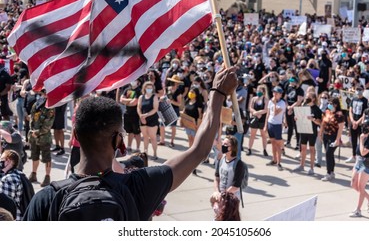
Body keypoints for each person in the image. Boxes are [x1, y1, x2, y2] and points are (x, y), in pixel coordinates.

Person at [23, 65, 238, 221]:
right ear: (118, 140)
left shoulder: (46, 199)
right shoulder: (138, 187)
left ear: (76, 136)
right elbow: (199, 151)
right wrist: (217, 93)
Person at [349, 120, 369, 217]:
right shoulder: (363, 135)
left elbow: (363, 152)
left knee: (361, 187)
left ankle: (358, 210)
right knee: (353, 184)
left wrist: (361, 140)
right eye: (363, 125)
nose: (363, 127)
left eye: (365, 126)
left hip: (366, 163)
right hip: (359, 161)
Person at [28, 89, 55, 187]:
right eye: (43, 93)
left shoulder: (50, 107)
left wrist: (38, 132)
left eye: (46, 93)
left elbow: (48, 124)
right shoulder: (36, 104)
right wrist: (31, 131)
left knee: (47, 158)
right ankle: (33, 174)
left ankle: (47, 177)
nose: (45, 95)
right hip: (34, 137)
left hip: (44, 137)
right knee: (34, 156)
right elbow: (31, 118)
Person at [293, 92, 322, 175]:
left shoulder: (316, 109)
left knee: (312, 149)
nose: (306, 98)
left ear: (313, 99)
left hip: (312, 131)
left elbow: (320, 122)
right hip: (304, 129)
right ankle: (301, 165)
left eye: (308, 97)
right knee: (303, 148)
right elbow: (300, 117)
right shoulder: (304, 106)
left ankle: (312, 168)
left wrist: (313, 119)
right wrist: (296, 118)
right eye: (306, 96)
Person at [319, 97, 345, 182]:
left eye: (331, 103)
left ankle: (328, 172)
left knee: (328, 153)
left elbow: (340, 128)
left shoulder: (339, 115)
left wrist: (337, 139)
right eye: (329, 103)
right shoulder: (327, 112)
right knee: (330, 155)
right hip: (326, 135)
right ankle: (332, 172)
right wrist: (320, 133)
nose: (329, 105)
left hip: (334, 137)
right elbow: (323, 123)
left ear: (336, 105)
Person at [214, 135, 245, 200]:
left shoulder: (239, 164)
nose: (222, 146)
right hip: (220, 197)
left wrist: (223, 195)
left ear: (232, 147)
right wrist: (217, 191)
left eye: (225, 144)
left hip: (232, 200)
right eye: (222, 143)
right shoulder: (221, 159)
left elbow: (235, 187)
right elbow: (217, 178)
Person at [264, 86, 286, 171]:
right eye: (273, 92)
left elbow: (275, 113)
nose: (274, 94)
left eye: (276, 93)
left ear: (280, 94)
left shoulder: (282, 103)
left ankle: (279, 162)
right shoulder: (270, 102)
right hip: (270, 124)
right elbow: (268, 114)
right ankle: (274, 159)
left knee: (278, 144)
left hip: (277, 125)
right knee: (273, 143)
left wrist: (275, 103)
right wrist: (265, 125)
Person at [137, 81, 159, 159]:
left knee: (153, 137)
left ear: (153, 88)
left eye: (150, 88)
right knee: (145, 136)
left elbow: (155, 109)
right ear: (144, 88)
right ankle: (145, 152)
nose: (149, 89)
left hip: (152, 119)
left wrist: (146, 115)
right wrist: (141, 116)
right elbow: (138, 107)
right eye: (147, 88)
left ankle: (155, 154)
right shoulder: (141, 97)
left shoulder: (154, 97)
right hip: (142, 119)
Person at [347, 85, 368, 164]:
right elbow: (350, 110)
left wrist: (357, 122)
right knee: (353, 140)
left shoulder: (365, 101)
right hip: (353, 122)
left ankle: (360, 156)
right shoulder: (353, 99)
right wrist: (352, 121)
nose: (358, 91)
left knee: (361, 140)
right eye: (357, 89)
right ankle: (353, 155)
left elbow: (364, 113)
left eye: (360, 89)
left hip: (360, 124)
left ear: (363, 90)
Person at [0, 150, 23, 220]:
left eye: (2, 159)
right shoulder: (17, 173)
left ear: (8, 161)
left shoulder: (9, 180)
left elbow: (5, 207)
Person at [120, 79, 142, 152]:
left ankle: (138, 148)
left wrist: (126, 101)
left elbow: (134, 102)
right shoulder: (127, 89)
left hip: (135, 114)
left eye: (135, 80)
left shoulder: (139, 91)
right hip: (127, 113)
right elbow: (121, 99)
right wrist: (129, 101)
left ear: (138, 82)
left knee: (137, 132)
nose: (133, 81)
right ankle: (129, 146)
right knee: (129, 132)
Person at [247, 84, 268, 156]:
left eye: (260, 91)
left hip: (262, 119)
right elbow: (250, 108)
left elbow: (266, 110)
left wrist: (258, 113)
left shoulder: (265, 100)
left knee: (263, 135)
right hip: (254, 119)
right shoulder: (254, 99)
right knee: (252, 135)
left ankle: (264, 149)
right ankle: (249, 149)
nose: (258, 92)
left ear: (264, 92)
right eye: (258, 90)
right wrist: (255, 113)